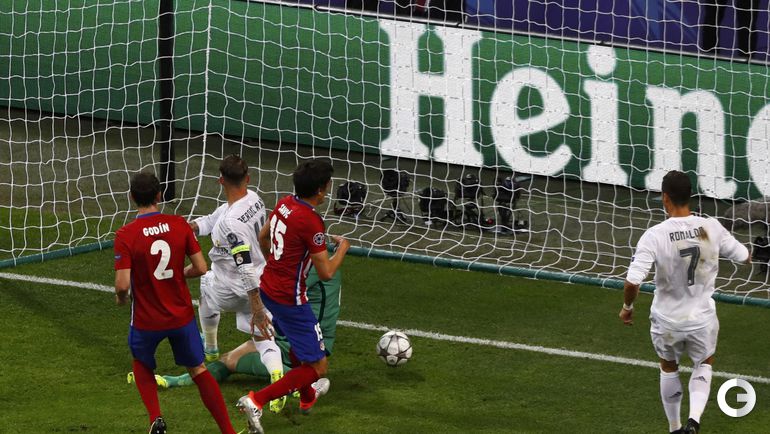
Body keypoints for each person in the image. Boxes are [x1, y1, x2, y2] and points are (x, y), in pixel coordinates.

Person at [619, 170, 751, 434]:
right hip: (701, 319)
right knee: (704, 364)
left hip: (666, 320)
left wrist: (627, 308)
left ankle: (674, 427)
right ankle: (694, 421)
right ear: (690, 196)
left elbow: (632, 282)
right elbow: (744, 256)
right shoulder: (710, 227)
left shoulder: (654, 235)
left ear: (665, 198)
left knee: (668, 367)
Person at [114, 172, 236, 434]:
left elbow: (122, 285)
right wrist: (178, 273)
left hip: (146, 320)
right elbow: (201, 267)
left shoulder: (126, 234)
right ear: (159, 196)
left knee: (141, 362)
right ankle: (227, 430)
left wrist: (121, 298)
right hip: (181, 317)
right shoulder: (180, 224)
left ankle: (156, 419)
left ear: (132, 197)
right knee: (198, 369)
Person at [236, 159, 350, 434]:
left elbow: (263, 237)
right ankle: (256, 401)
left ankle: (307, 395)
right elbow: (326, 272)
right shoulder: (311, 221)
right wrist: (343, 248)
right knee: (319, 366)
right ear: (320, 190)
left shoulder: (285, 203)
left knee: (299, 347)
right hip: (291, 299)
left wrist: (277, 265)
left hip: (269, 288)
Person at [134, 269, 342, 389]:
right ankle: (300, 378)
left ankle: (306, 383)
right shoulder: (322, 260)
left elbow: (274, 289)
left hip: (300, 341)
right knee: (233, 356)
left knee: (230, 360)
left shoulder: (306, 266)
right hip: (303, 335)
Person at [190, 154, 286, 413]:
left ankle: (211, 348)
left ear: (220, 180)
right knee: (263, 335)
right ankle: (278, 380)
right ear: (248, 178)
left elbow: (243, 265)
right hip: (262, 281)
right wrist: (191, 227)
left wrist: (255, 304)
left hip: (235, 288)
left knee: (205, 281)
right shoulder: (254, 199)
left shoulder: (230, 224)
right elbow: (214, 218)